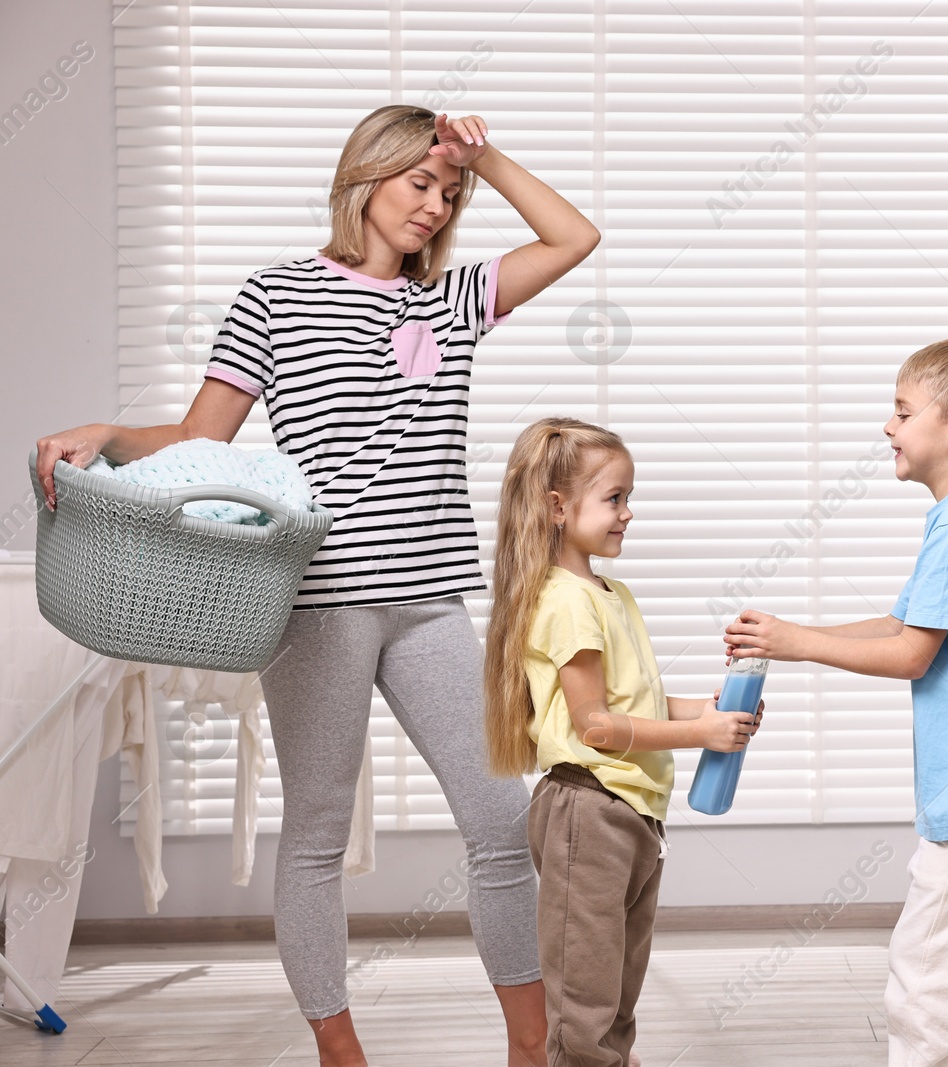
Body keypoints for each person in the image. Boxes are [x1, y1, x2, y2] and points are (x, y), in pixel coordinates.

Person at [34, 105, 601, 1067]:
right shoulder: (275, 295)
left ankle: (532, 1048)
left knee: (504, 818)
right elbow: (202, 439)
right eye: (418, 182)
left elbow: (573, 236)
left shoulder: (454, 296)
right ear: (365, 177)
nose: (435, 205)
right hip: (315, 604)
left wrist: (485, 157)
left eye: (448, 192)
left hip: (429, 600)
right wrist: (109, 434)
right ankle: (341, 1050)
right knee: (317, 835)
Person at [722, 337, 948, 1067]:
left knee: (925, 989)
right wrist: (790, 635)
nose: (889, 426)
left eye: (903, 411)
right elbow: (901, 623)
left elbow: (912, 652)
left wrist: (795, 643)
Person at [483, 417, 762, 1067]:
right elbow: (596, 727)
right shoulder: (565, 600)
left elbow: (635, 703)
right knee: (584, 1001)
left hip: (631, 812)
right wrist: (700, 733)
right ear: (558, 507)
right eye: (614, 498)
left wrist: (714, 710)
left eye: (628, 497)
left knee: (615, 990)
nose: (628, 513)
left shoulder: (613, 595)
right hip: (590, 806)